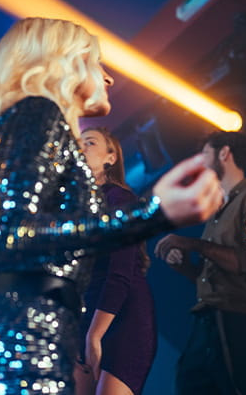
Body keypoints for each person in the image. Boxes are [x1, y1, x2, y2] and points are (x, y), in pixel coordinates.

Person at [0, 18, 223, 394]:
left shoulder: (28, 124)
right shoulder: (38, 114)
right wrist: (153, 214)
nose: (109, 77)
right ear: (65, 62)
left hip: (17, 340)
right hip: (17, 349)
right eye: (97, 62)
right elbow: (13, 236)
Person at [154, 132, 246, 395]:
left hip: (242, 324)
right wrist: (184, 266)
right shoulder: (219, 208)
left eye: (206, 154)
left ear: (224, 154)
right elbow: (211, 276)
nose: (201, 163)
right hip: (209, 321)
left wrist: (194, 244)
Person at [77, 127, 156, 395]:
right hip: (86, 317)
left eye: (90, 142)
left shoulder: (120, 199)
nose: (81, 147)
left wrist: (95, 335)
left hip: (121, 318)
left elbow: (120, 273)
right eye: (77, 144)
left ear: (110, 158)